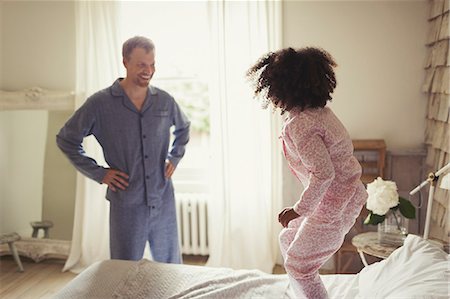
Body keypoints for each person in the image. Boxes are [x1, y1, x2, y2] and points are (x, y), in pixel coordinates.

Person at [246, 47, 367, 298]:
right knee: (287, 239)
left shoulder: (301, 125)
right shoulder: (319, 113)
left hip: (335, 203)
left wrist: (298, 210)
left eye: (272, 88)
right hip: (345, 196)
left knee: (298, 265)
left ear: (287, 88)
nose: (270, 95)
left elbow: (324, 174)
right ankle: (302, 293)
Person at [57, 36, 190, 263]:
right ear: (125, 62)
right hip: (127, 203)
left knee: (171, 267)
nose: (148, 70)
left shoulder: (164, 101)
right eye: (141, 64)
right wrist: (100, 173)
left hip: (162, 197)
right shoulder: (99, 104)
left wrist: (174, 158)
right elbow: (67, 139)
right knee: (123, 267)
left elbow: (184, 127)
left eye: (152, 64)